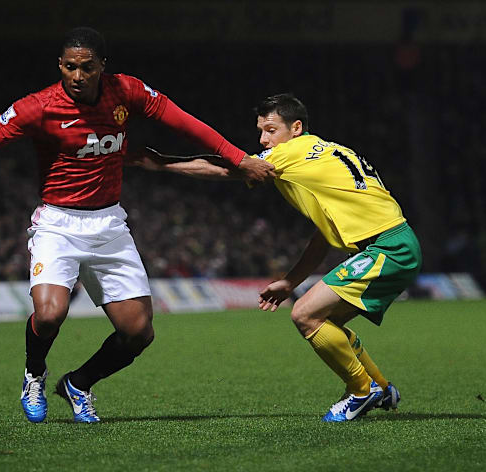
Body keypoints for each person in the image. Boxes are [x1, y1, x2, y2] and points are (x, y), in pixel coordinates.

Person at [0, 26, 274, 423]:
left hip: (109, 223)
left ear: (102, 66)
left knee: (139, 332)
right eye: (69, 66)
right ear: (59, 64)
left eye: (87, 66)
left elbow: (185, 122)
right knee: (51, 314)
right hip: (57, 224)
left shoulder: (126, 91)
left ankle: (78, 384)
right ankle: (33, 376)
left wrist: (239, 158)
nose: (77, 75)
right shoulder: (37, 108)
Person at [131, 93, 422, 422]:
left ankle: (362, 390)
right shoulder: (327, 152)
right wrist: (290, 281)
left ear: (296, 128)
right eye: (260, 131)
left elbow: (230, 168)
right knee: (327, 323)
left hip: (387, 247)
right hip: (395, 243)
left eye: (270, 130)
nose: (263, 140)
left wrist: (160, 162)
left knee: (305, 315)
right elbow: (322, 238)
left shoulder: (291, 153)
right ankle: (379, 387)